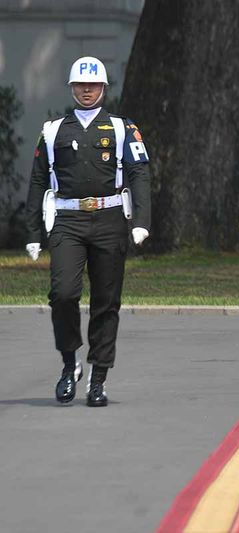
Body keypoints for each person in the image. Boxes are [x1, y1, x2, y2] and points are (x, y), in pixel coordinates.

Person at [24, 56, 151, 407]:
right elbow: (37, 180)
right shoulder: (53, 131)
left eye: (93, 85)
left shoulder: (123, 129)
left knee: (106, 302)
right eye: (80, 84)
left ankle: (99, 378)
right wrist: (33, 231)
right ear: (71, 87)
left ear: (103, 88)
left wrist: (142, 222)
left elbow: (140, 174)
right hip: (67, 221)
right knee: (63, 293)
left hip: (109, 219)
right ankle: (70, 363)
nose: (86, 90)